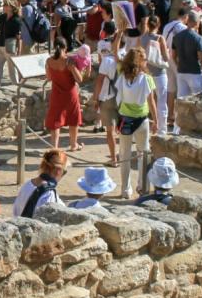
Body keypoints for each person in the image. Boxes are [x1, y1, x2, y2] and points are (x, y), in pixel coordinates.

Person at [114, 47, 158, 199]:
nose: (147, 61)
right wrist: (156, 120)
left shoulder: (122, 75)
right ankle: (143, 187)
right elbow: (151, 102)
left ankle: (125, 190)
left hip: (125, 118)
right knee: (143, 154)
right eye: (145, 59)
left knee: (124, 155)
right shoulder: (147, 79)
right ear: (140, 61)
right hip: (141, 119)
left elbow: (116, 57)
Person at [45, 41, 85, 151]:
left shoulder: (48, 61)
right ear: (65, 48)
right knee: (73, 119)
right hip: (70, 94)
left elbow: (48, 77)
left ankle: (54, 147)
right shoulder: (69, 61)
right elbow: (79, 79)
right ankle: (73, 145)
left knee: (56, 121)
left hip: (56, 94)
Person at [89, 27, 121, 165]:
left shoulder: (107, 61)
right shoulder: (126, 57)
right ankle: (123, 156)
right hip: (123, 98)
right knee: (123, 130)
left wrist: (95, 98)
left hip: (108, 97)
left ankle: (114, 158)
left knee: (110, 131)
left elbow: (100, 81)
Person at [171, 10, 202, 117]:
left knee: (182, 102)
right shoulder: (198, 38)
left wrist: (178, 65)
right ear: (197, 23)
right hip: (195, 73)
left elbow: (173, 56)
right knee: (199, 102)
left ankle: (178, 128)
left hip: (181, 72)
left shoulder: (177, 37)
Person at [13, 148, 68, 217]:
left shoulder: (27, 184)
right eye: (64, 172)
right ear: (58, 171)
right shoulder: (49, 193)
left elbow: (15, 212)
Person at [140, 16, 171, 133]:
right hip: (159, 73)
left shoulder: (142, 38)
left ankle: (143, 129)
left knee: (145, 101)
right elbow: (166, 58)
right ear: (158, 25)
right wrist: (167, 51)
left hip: (146, 73)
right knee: (162, 102)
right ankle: (162, 130)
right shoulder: (160, 38)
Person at [0, 0, 23, 88]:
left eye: (5, 5)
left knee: (12, 68)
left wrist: (19, 52)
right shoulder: (3, 16)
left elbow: (19, 38)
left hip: (10, 47)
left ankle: (16, 85)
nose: (3, 6)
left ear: (11, 7)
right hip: (1, 44)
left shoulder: (16, 20)